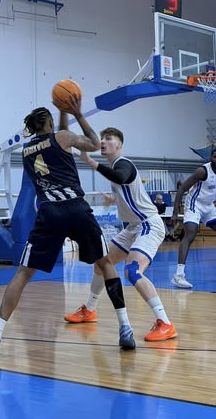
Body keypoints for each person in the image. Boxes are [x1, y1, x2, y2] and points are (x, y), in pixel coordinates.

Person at [0, 102, 136, 356]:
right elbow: (93, 143)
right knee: (105, 264)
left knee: (22, 273)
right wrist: (77, 114)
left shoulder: (26, 150)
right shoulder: (62, 137)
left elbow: (60, 140)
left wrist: (62, 113)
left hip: (49, 212)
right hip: (76, 208)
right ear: (50, 123)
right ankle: (125, 328)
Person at [64, 127, 177, 342]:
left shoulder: (123, 164)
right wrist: (114, 199)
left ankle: (165, 323)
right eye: (102, 138)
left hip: (148, 225)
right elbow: (130, 191)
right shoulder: (115, 168)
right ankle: (89, 310)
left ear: (119, 145)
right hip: (133, 227)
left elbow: (121, 176)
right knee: (101, 263)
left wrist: (91, 162)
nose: (103, 142)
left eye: (108, 138)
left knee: (132, 271)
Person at [171, 147, 216, 289]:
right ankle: (178, 275)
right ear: (211, 158)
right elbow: (182, 188)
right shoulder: (202, 171)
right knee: (190, 234)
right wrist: (175, 212)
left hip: (209, 206)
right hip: (194, 204)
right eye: (214, 156)